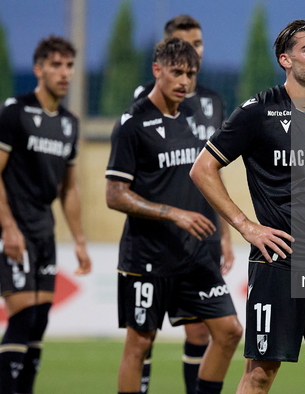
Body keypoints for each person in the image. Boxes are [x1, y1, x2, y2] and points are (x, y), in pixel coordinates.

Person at [190, 20, 305, 394]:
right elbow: (203, 169)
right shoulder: (259, 111)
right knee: (260, 372)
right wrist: (246, 225)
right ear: (285, 60)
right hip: (279, 260)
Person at [106, 38, 241, 394]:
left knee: (229, 332)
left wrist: (224, 233)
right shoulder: (132, 124)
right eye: (177, 72)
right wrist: (172, 213)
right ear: (157, 70)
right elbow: (115, 195)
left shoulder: (193, 121)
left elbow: (209, 178)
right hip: (147, 258)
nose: (184, 81)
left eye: (191, 74)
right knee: (139, 345)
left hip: (194, 257)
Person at [0, 35, 92, 394]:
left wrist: (80, 241)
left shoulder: (69, 123)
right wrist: (7, 226)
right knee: (22, 318)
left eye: (69, 65)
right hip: (14, 230)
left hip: (44, 233)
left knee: (37, 323)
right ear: (38, 69)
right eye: (55, 65)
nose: (64, 73)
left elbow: (69, 189)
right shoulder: (16, 112)